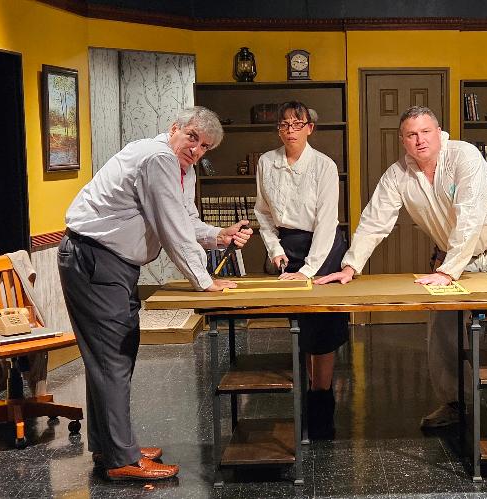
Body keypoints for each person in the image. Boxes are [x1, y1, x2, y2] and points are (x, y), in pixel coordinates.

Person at [58, 106, 254, 480]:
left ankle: (112, 447)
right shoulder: (159, 157)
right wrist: (204, 280)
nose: (196, 149)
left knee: (113, 356)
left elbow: (185, 220)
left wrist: (219, 235)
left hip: (107, 261)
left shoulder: (182, 168)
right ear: (174, 128)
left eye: (205, 146)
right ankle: (121, 460)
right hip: (95, 258)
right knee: (112, 357)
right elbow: (171, 229)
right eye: (192, 137)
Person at [315, 105, 487, 429]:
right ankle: (454, 402)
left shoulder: (464, 156)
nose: (420, 140)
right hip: (454, 259)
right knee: (443, 325)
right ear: (402, 140)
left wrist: (447, 271)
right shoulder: (397, 175)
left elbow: (470, 216)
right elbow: (374, 221)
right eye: (411, 135)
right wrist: (350, 266)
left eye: (426, 132)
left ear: (439, 132)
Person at [253, 101, 349, 440]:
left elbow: (326, 222)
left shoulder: (324, 166)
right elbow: (263, 213)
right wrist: (275, 250)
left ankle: (321, 406)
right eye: (284, 124)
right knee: (300, 329)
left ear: (310, 128)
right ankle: (306, 400)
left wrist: (308, 272)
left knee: (323, 331)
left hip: (323, 249)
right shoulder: (266, 162)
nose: (290, 130)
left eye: (297, 124)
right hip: (288, 248)